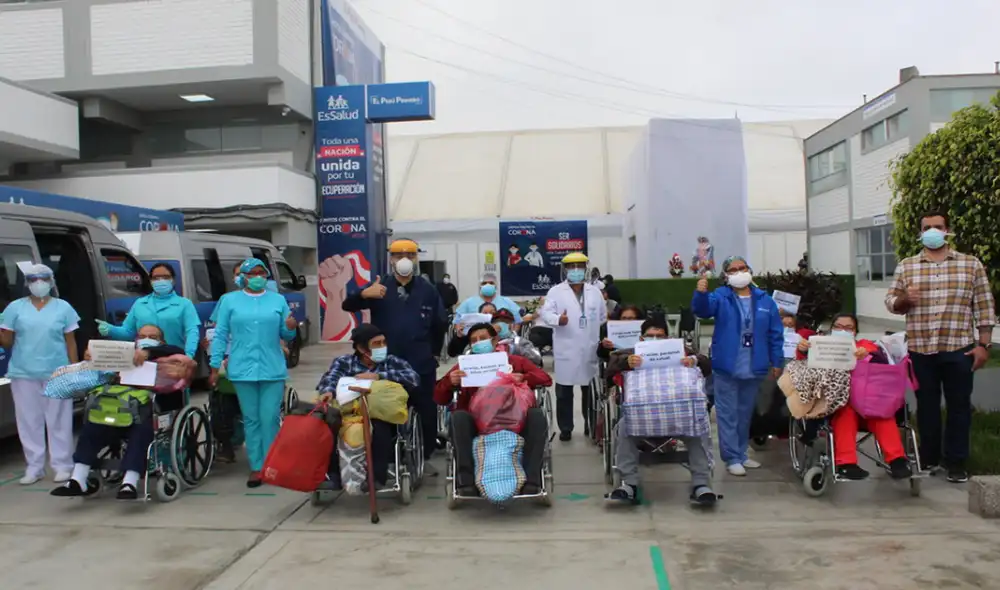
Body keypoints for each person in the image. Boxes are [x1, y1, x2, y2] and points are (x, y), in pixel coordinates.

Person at [884, 210, 996, 483]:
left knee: (959, 406)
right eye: (927, 227)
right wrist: (904, 300)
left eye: (938, 226)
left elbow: (984, 306)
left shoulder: (971, 265)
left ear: (947, 230)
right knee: (927, 407)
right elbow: (890, 301)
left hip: (959, 348)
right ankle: (929, 458)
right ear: (920, 233)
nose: (932, 231)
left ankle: (956, 462)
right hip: (921, 349)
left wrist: (984, 345)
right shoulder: (907, 266)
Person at [342, 238, 448, 473]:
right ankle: (390, 456)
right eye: (399, 255)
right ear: (390, 259)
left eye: (410, 255)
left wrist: (434, 353)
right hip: (386, 363)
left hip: (420, 360)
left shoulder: (427, 290)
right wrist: (364, 294)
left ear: (417, 259)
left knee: (425, 409)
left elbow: (439, 323)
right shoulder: (380, 288)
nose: (404, 260)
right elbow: (347, 305)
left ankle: (424, 455)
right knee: (387, 409)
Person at [51, 325, 187, 499]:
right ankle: (78, 479)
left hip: (149, 412)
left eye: (152, 336)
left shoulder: (170, 355)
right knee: (92, 426)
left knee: (141, 429)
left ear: (161, 341)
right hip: (118, 410)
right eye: (143, 335)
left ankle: (129, 482)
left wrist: (148, 353)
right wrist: (91, 358)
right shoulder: (124, 355)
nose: (146, 338)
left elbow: (176, 350)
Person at [604, 317, 717, 506]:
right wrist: (626, 363)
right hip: (642, 414)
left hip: (679, 412)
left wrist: (694, 360)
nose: (655, 340)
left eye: (660, 336)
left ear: (667, 337)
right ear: (641, 339)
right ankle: (628, 483)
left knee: (699, 427)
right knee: (624, 429)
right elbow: (608, 374)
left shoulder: (681, 351)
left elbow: (707, 365)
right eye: (650, 336)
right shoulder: (627, 354)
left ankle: (701, 484)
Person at [433, 322, 552, 496]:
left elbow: (545, 378)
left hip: (515, 418)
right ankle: (465, 482)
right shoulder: (465, 366)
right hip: (476, 420)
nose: (478, 343)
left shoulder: (514, 361)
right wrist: (449, 382)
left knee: (536, 416)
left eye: (483, 338)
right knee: (458, 417)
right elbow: (439, 398)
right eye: (474, 341)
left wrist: (523, 377)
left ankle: (533, 480)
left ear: (495, 340)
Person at [209, 258, 298, 487]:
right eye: (253, 273)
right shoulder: (229, 301)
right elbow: (220, 335)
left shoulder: (277, 300)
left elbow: (286, 334)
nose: (258, 277)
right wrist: (214, 364)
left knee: (269, 417)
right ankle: (257, 466)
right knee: (251, 418)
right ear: (243, 276)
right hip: (242, 367)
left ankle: (272, 464)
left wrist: (289, 329)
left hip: (272, 367)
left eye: (262, 273)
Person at [691, 255, 783, 476]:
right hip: (727, 366)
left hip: (755, 364)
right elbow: (703, 311)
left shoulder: (765, 300)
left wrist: (777, 360)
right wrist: (701, 293)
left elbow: (775, 333)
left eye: (743, 268)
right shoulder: (721, 297)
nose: (739, 272)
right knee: (727, 413)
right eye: (733, 269)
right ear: (725, 275)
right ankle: (731, 456)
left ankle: (742, 453)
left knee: (745, 413)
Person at [799, 314, 911, 481]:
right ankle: (846, 463)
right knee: (846, 409)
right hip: (837, 408)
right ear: (831, 329)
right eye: (838, 327)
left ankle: (897, 460)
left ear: (856, 331)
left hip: (868, 407)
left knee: (881, 414)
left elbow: (873, 349)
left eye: (848, 328)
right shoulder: (820, 345)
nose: (842, 330)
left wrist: (866, 353)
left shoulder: (863, 346)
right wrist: (802, 350)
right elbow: (802, 366)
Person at [0, 264, 80, 485]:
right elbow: (6, 341)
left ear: (51, 281)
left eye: (43, 278)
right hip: (23, 372)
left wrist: (73, 370)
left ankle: (63, 465)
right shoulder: (15, 308)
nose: (39, 283)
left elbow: (70, 342)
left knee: (59, 420)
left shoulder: (63, 308)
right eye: (34, 279)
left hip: (57, 371)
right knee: (28, 421)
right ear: (27, 282)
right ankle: (34, 467)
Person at [316, 323, 420, 490]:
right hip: (349, 414)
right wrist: (328, 391)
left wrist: (378, 376)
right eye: (376, 344)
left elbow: (413, 378)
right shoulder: (345, 362)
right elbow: (330, 378)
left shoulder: (391, 362)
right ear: (361, 348)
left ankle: (376, 478)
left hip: (378, 414)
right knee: (330, 427)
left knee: (380, 427)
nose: (382, 347)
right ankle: (333, 475)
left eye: (384, 342)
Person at [539, 252, 607, 441]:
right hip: (565, 347)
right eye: (571, 266)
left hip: (589, 346)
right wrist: (558, 319)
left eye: (579, 266)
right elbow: (546, 314)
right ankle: (566, 428)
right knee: (564, 392)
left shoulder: (594, 291)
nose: (576, 270)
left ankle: (590, 425)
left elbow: (602, 317)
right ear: (565, 269)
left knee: (590, 389)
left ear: (585, 268)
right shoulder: (555, 291)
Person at [97, 263, 200, 358]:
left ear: (173, 280)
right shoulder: (140, 304)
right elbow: (128, 332)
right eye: (156, 278)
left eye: (165, 277)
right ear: (151, 281)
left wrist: (188, 356)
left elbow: (192, 332)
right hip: (144, 360)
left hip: (173, 360)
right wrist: (111, 329)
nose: (160, 281)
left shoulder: (184, 304)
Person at [452, 272, 522, 329]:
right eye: (484, 283)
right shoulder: (469, 302)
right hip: (475, 340)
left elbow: (517, 321)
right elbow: (457, 322)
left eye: (491, 283)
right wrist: (461, 332)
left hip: (503, 340)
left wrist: (513, 334)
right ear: (480, 286)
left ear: (496, 285)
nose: (487, 285)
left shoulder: (507, 301)